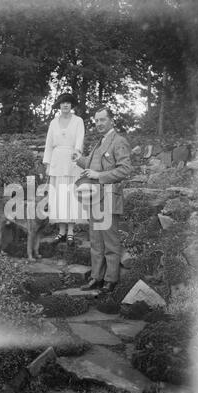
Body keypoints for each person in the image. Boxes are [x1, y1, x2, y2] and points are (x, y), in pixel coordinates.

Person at [72, 106, 132, 292]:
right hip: (94, 197)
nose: (98, 124)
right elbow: (91, 165)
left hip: (108, 197)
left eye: (102, 120)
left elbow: (125, 169)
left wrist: (98, 176)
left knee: (110, 242)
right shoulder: (99, 143)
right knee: (96, 240)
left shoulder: (119, 141)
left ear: (111, 120)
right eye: (96, 121)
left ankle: (111, 280)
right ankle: (96, 278)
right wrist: (79, 159)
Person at [43, 93, 85, 246]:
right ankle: (61, 231)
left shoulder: (78, 121)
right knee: (58, 196)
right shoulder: (53, 122)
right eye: (62, 103)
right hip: (56, 161)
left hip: (72, 161)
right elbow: (48, 143)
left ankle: (71, 232)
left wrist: (77, 153)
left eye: (68, 103)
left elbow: (80, 139)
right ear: (59, 106)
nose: (65, 105)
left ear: (71, 105)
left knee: (71, 196)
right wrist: (47, 163)